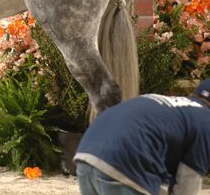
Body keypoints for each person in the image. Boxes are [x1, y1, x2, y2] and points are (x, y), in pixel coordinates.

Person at [74, 79, 210, 195]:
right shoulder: (205, 121)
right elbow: (188, 182)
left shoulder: (173, 108)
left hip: (86, 155)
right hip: (123, 164)